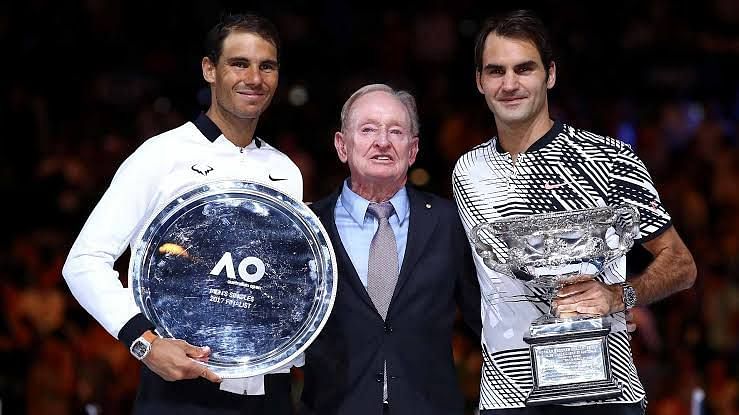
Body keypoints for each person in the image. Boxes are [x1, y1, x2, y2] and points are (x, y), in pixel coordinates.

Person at [452, 10, 697, 415]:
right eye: (496, 71)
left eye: (524, 69)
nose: (509, 84)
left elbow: (682, 264)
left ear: (550, 74)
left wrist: (620, 297)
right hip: (508, 398)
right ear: (480, 81)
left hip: (607, 392)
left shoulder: (610, 158)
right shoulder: (467, 172)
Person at [62, 13, 302, 415]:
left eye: (267, 66)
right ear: (210, 69)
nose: (254, 78)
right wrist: (146, 344)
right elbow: (84, 262)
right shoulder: (162, 155)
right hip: (181, 392)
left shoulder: (286, 171)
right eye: (239, 63)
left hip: (270, 393)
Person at [300, 84, 481, 415]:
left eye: (395, 131)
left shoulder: (449, 222)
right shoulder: (308, 226)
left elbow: (484, 320)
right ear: (342, 145)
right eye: (368, 129)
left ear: (412, 151)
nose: (382, 142)